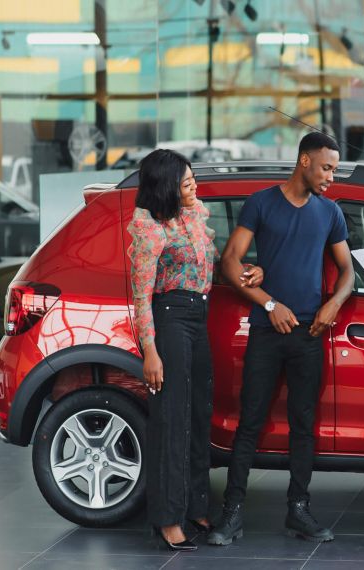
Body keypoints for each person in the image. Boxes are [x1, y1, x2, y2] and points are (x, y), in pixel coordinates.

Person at [208, 132, 355, 545]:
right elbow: (230, 261)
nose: (332, 177)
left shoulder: (330, 213)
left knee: (303, 425)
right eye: (327, 167)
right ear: (304, 162)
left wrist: (332, 307)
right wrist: (270, 305)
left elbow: (348, 272)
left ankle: (299, 511)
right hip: (266, 332)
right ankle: (231, 514)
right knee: (250, 422)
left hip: (310, 333)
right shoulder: (261, 203)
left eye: (335, 169)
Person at [127, 149, 264, 551]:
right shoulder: (149, 229)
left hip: (197, 317)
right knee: (171, 419)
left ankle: (195, 506)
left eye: (192, 181)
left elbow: (212, 266)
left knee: (199, 413)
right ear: (166, 185)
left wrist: (253, 271)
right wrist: (150, 352)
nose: (193, 187)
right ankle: (168, 519)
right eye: (186, 182)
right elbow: (141, 299)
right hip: (169, 319)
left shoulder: (193, 216)